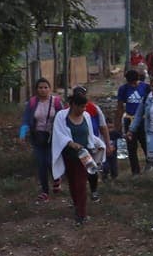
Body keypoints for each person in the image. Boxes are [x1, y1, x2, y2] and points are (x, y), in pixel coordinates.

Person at [50, 92, 107, 225]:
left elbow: (90, 135)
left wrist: (98, 145)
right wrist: (71, 143)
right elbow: (59, 133)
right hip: (69, 155)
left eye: (85, 107)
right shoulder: (61, 116)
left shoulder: (86, 116)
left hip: (84, 155)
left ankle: (81, 213)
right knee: (73, 182)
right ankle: (77, 205)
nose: (83, 109)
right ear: (73, 105)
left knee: (81, 183)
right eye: (81, 107)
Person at [19, 77, 64, 201]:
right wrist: (22, 134)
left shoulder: (56, 102)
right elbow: (26, 119)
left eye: (45, 87)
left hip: (53, 137)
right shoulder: (32, 103)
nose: (43, 90)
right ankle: (45, 191)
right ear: (36, 89)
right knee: (41, 164)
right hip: (37, 137)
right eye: (40, 88)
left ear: (50, 89)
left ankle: (56, 179)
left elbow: (63, 118)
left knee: (50, 161)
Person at [77, 86, 113, 202]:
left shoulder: (93, 109)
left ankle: (93, 192)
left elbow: (103, 127)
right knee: (77, 173)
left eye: (81, 94)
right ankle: (78, 197)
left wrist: (107, 144)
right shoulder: (67, 111)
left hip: (91, 145)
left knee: (91, 169)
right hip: (75, 146)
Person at [116, 69, 150, 175]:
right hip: (129, 120)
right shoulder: (123, 89)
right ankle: (135, 171)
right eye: (131, 83)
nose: (133, 85)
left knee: (146, 145)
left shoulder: (145, 87)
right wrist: (117, 124)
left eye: (135, 83)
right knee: (131, 147)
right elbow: (120, 107)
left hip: (143, 120)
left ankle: (151, 166)